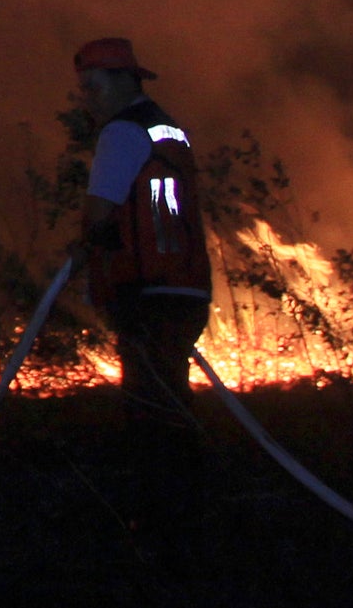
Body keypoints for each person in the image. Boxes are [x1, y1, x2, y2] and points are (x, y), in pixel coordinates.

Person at [70, 35, 213, 534]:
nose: (87, 98)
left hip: (148, 290)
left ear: (124, 80)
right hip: (183, 285)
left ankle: (167, 523)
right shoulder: (167, 128)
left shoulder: (123, 133)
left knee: (151, 410)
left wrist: (85, 260)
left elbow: (100, 210)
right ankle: (185, 514)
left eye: (93, 86)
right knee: (169, 400)